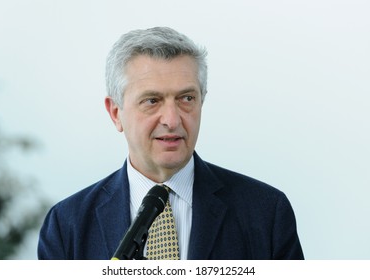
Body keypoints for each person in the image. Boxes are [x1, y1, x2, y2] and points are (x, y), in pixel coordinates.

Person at [37, 27, 304, 260]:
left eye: (186, 98)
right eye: (152, 101)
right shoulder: (67, 224)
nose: (172, 119)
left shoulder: (266, 212)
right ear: (115, 113)